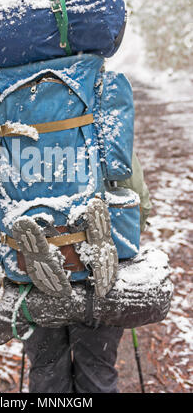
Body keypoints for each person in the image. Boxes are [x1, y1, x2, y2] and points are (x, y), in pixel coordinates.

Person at [23, 152, 152, 393]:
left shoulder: (11, 127)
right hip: (98, 282)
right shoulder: (99, 121)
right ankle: (86, 241)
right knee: (97, 371)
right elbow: (138, 202)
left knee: (46, 371)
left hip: (34, 281)